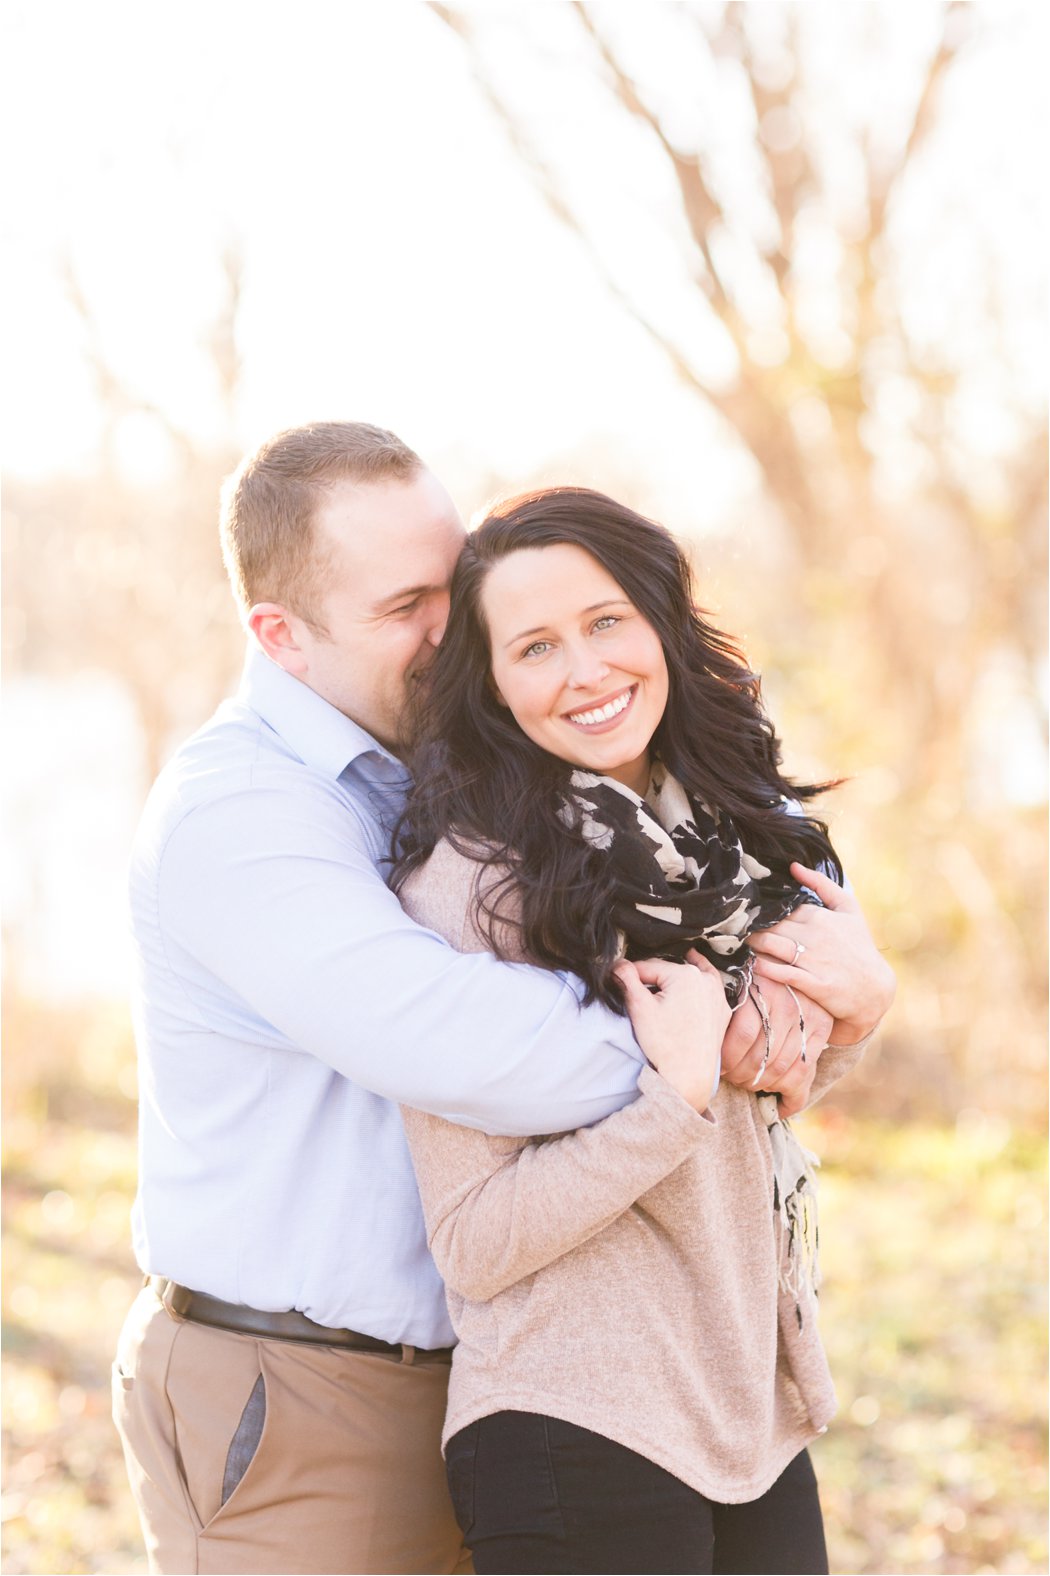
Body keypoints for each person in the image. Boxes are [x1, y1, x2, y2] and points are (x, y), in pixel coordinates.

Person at [113, 422, 846, 1576]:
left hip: (490, 1366)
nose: (454, 629)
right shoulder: (241, 814)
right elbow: (460, 1040)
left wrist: (815, 1010)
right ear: (280, 635)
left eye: (454, 587)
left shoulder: (471, 775)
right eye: (409, 604)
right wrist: (720, 1039)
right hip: (305, 1386)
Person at [391, 486, 895, 1575]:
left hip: (746, 1413)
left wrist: (860, 1006)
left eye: (606, 620)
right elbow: (476, 1240)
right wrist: (670, 1103)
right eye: (535, 646)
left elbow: (762, 1100)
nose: (585, 669)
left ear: (662, 622)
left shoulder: (730, 834)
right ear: (493, 683)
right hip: (574, 1418)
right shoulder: (472, 886)